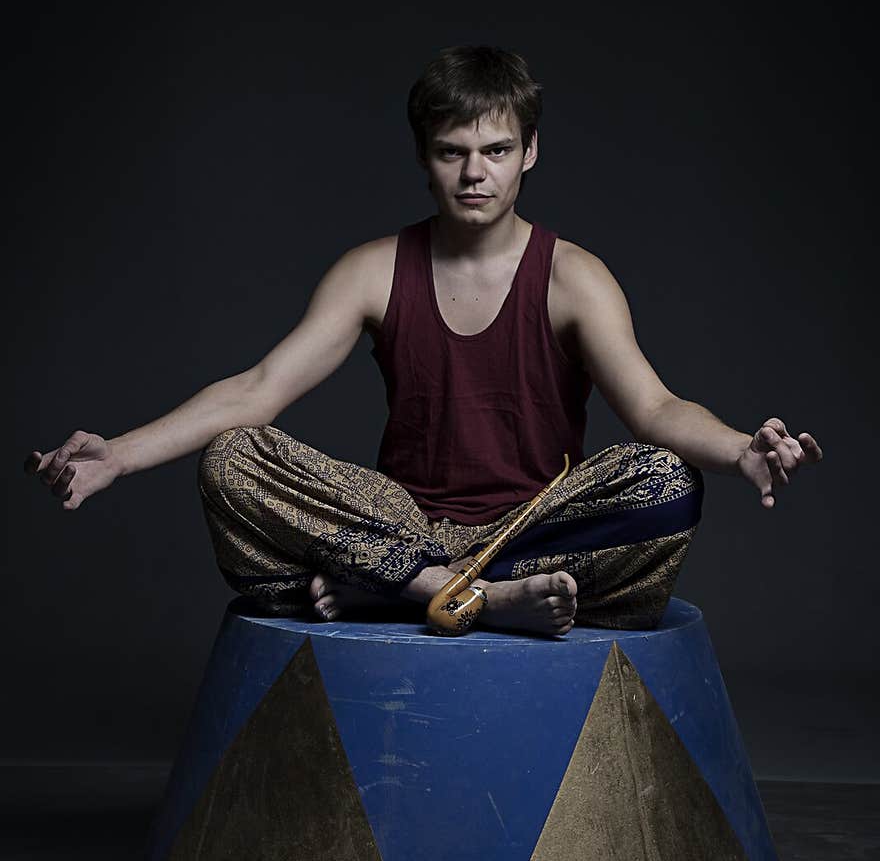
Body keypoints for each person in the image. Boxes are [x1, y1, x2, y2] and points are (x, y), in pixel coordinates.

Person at [25, 45, 822, 638]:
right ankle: (465, 591)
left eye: (497, 151)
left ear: (529, 154)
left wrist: (739, 449)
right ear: (425, 158)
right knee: (231, 461)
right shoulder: (372, 271)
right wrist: (120, 454)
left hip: (530, 525)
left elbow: (653, 406)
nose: (476, 173)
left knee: (665, 482)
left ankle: (401, 591)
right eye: (454, 152)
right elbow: (256, 387)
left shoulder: (573, 277)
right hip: (395, 520)